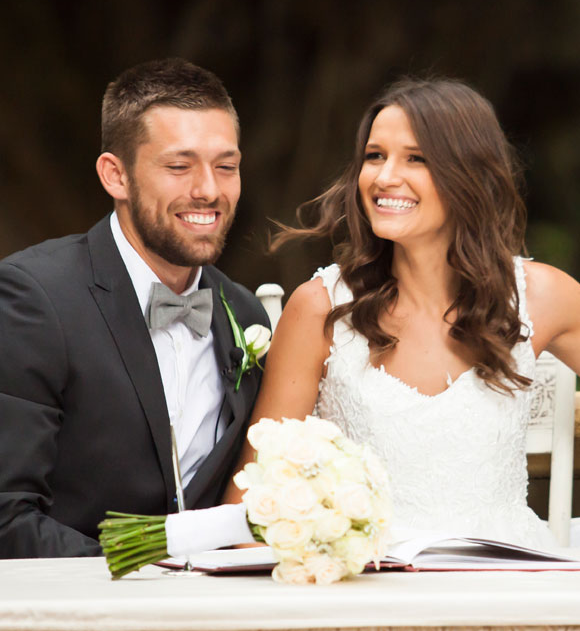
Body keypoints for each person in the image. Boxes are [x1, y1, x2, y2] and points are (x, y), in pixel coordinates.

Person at [231, 77, 580, 549]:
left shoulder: (542, 295)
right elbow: (249, 503)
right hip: (374, 590)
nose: (384, 176)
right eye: (375, 156)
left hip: (511, 584)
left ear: (470, 173)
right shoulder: (320, 308)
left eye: (415, 158)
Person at [0, 57, 269, 558]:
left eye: (226, 166)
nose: (208, 189)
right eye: (178, 166)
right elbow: (7, 518)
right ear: (115, 176)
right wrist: (148, 566)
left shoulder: (244, 313)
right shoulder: (35, 299)